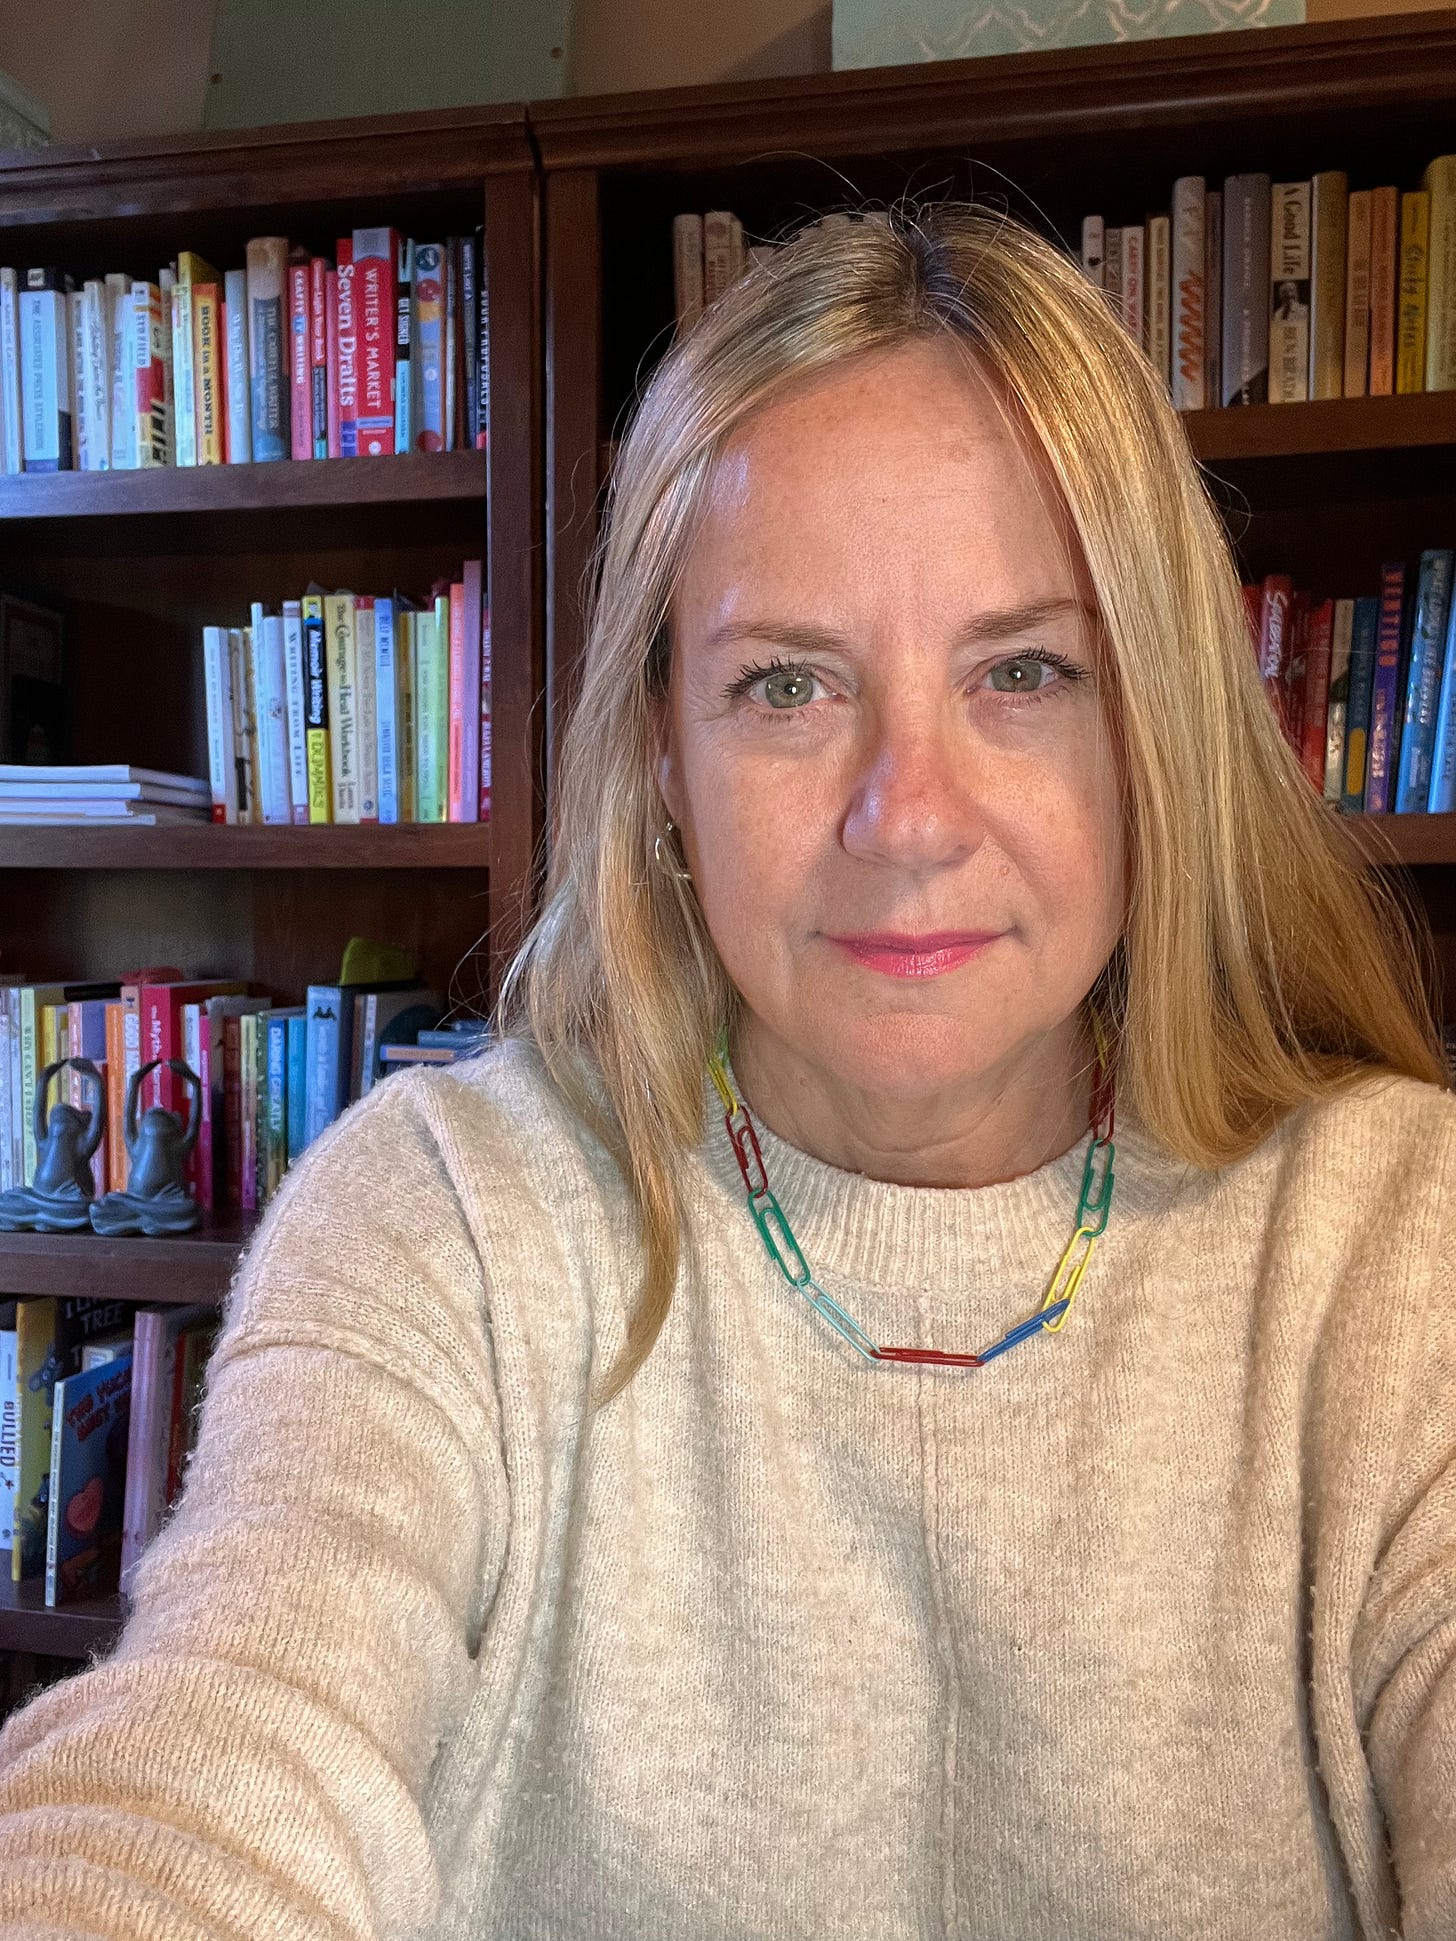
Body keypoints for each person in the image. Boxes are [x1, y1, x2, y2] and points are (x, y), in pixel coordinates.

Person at [0, 200, 1451, 1941]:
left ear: (1162, 732)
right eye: (784, 684)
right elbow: (221, 1741)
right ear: (663, 760)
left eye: (1024, 670)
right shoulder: (448, 1217)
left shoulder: (1400, 1246)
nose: (908, 816)